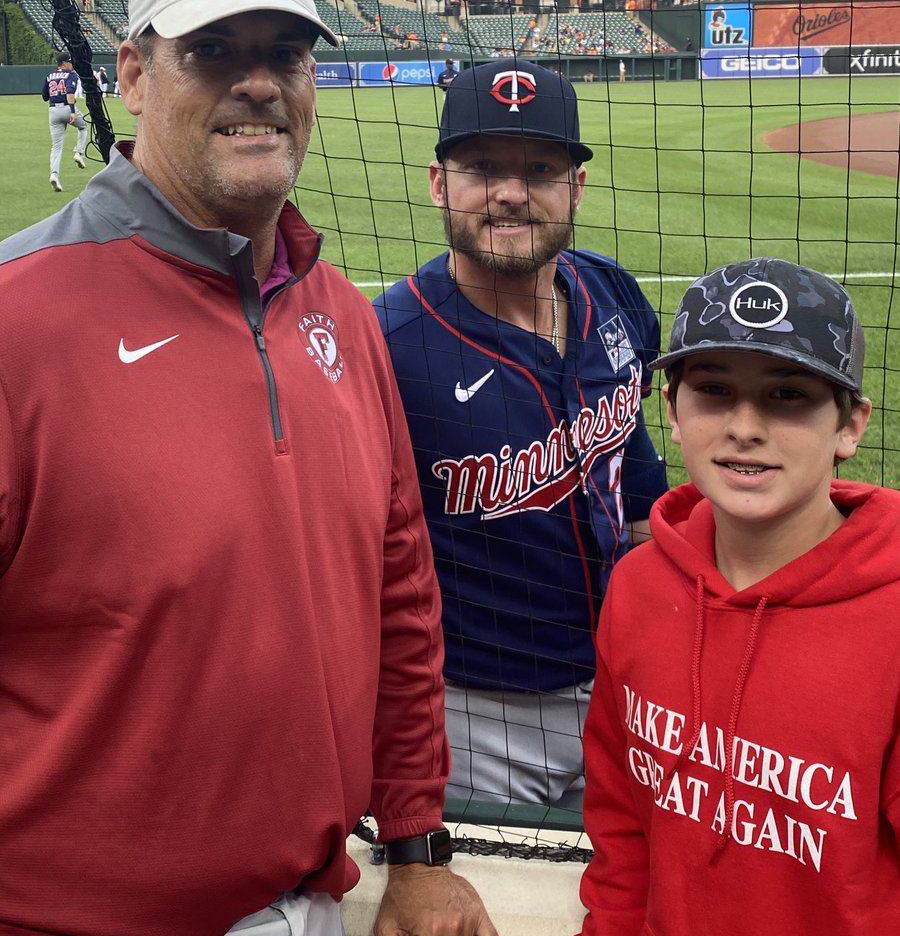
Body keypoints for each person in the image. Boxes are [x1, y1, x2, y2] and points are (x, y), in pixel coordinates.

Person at [0, 0, 497, 936]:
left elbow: (402, 595)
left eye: (286, 52)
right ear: (134, 75)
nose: (259, 82)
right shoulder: (19, 317)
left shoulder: (344, 316)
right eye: (213, 50)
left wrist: (416, 846)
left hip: (309, 902)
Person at [373, 59, 668, 810]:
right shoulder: (389, 343)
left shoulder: (610, 289)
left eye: (539, 170)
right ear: (439, 184)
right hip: (477, 719)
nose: (511, 192)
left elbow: (634, 466)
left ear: (577, 188)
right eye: (483, 168)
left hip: (629, 687)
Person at [578, 258, 900, 936]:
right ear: (671, 411)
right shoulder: (639, 587)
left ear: (849, 425)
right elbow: (621, 821)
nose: (744, 426)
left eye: (787, 394)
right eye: (715, 390)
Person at [41, 49, 88, 191]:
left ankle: (54, 175)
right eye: (69, 62)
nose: (71, 64)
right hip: (67, 108)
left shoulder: (49, 75)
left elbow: (45, 96)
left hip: (53, 110)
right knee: (83, 127)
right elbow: (69, 92)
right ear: (64, 63)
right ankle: (79, 153)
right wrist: (72, 111)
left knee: (56, 147)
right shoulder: (71, 75)